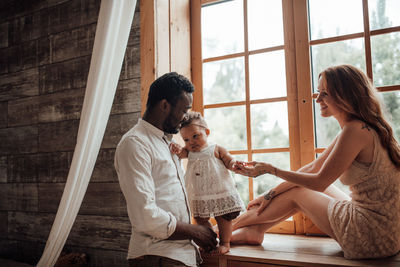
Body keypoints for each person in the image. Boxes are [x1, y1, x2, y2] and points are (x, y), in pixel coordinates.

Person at [232, 64, 400, 260]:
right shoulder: (361, 127)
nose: (317, 99)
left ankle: (226, 228)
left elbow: (319, 181)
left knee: (300, 190)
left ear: (345, 96)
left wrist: (272, 170)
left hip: (372, 236)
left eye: (325, 94)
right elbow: (313, 168)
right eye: (318, 92)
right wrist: (269, 194)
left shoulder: (355, 131)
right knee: (301, 186)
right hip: (388, 233)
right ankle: (256, 230)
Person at [114, 72, 218, 267]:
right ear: (164, 105)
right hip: (156, 257)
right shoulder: (135, 144)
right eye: (184, 110)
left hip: (174, 256)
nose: (186, 117)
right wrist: (194, 231)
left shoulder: (166, 143)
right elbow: (144, 216)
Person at [170, 111, 245, 255]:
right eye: (186, 139)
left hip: (219, 190)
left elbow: (229, 160)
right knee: (199, 218)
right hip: (200, 193)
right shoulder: (189, 151)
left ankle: (225, 242)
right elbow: (180, 154)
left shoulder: (216, 149)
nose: (191, 142)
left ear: (207, 132)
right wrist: (177, 149)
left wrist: (234, 164)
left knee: (223, 218)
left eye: (195, 136)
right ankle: (209, 240)